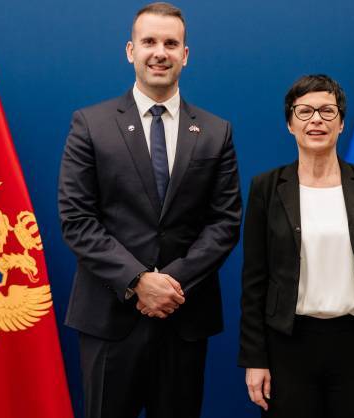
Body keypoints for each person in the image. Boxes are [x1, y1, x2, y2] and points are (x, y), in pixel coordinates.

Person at [58, 3, 242, 418]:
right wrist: (138, 281)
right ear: (131, 50)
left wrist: (170, 285)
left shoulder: (215, 132)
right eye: (149, 42)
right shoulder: (90, 124)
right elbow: (77, 219)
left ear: (185, 54)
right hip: (109, 319)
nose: (160, 52)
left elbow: (225, 222)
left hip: (183, 317)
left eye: (171, 44)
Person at [238, 74, 354, 418]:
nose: (316, 120)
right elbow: (254, 281)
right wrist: (255, 358)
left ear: (341, 123)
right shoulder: (266, 188)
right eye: (304, 111)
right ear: (290, 124)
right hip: (287, 347)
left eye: (328, 111)